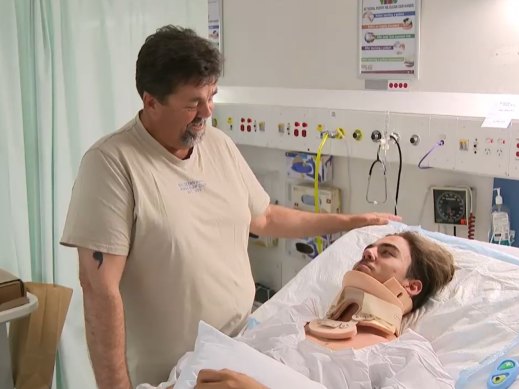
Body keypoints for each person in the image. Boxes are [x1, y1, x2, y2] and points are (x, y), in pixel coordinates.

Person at [60, 25, 400, 388]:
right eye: (193, 102)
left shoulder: (217, 145)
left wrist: (349, 221)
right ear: (151, 101)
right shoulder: (112, 163)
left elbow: (266, 217)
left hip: (241, 349)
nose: (206, 111)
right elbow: (99, 288)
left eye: (212, 96)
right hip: (171, 375)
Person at [153, 231, 456, 389]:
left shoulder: (406, 356)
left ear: (412, 287)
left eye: (387, 252)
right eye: (370, 247)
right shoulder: (297, 318)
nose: (368, 251)